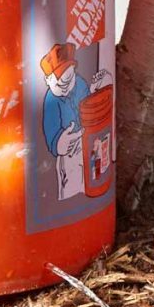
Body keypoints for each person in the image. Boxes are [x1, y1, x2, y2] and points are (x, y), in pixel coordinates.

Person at [40, 44, 111, 200]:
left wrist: (96, 89)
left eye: (69, 79)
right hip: (69, 156)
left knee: (90, 184)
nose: (65, 87)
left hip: (87, 147)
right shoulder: (51, 100)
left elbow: (87, 107)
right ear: (48, 80)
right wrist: (60, 142)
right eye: (60, 84)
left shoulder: (79, 83)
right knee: (71, 189)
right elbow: (50, 130)